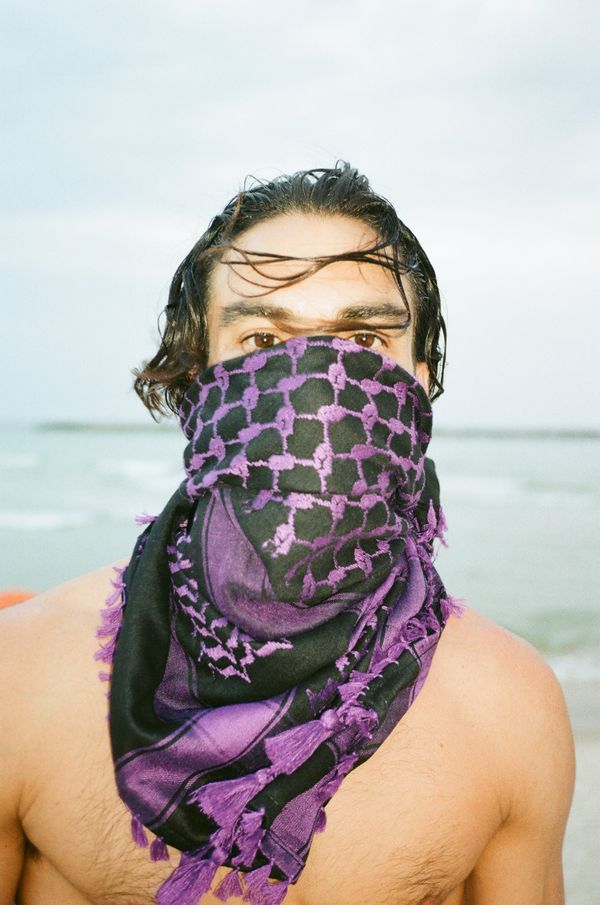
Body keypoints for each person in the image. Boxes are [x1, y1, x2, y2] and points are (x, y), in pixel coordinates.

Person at [0, 163, 575, 905]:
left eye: (363, 337)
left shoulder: (510, 706)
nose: (315, 385)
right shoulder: (22, 674)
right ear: (196, 379)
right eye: (263, 337)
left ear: (420, 380)